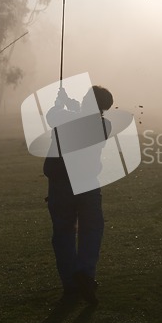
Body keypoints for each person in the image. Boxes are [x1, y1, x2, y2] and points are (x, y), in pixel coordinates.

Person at [43, 85, 113, 304]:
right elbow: (85, 114)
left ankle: (71, 283)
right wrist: (71, 102)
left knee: (63, 234)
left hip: (60, 185)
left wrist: (59, 102)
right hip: (88, 186)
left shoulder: (63, 117)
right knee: (91, 230)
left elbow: (52, 115)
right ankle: (85, 273)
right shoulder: (105, 125)